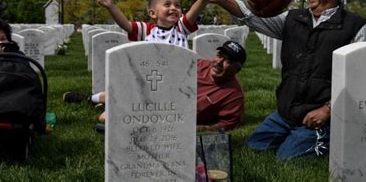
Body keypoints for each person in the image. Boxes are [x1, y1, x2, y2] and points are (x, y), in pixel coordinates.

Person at [205, 0, 366, 160]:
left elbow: (363, 77)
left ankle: (328, 139)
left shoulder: (355, 27)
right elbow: (252, 17)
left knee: (286, 158)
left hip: (319, 117)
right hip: (286, 113)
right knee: (254, 147)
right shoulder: (293, 19)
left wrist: (327, 110)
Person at [65, 40, 247, 131]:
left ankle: (105, 104)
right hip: (160, 100)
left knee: (105, 119)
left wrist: (201, 128)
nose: (219, 62)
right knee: (126, 92)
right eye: (219, 55)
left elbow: (226, 124)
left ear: (237, 69)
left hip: (174, 118)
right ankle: (91, 98)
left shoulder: (233, 96)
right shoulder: (199, 64)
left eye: (227, 60)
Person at [97, 0, 219, 48]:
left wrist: (204, 0)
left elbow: (193, 12)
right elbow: (126, 25)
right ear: (152, 13)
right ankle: (93, 97)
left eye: (177, 5)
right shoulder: (146, 30)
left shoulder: (180, 28)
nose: (173, 8)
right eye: (167, 4)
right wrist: (111, 7)